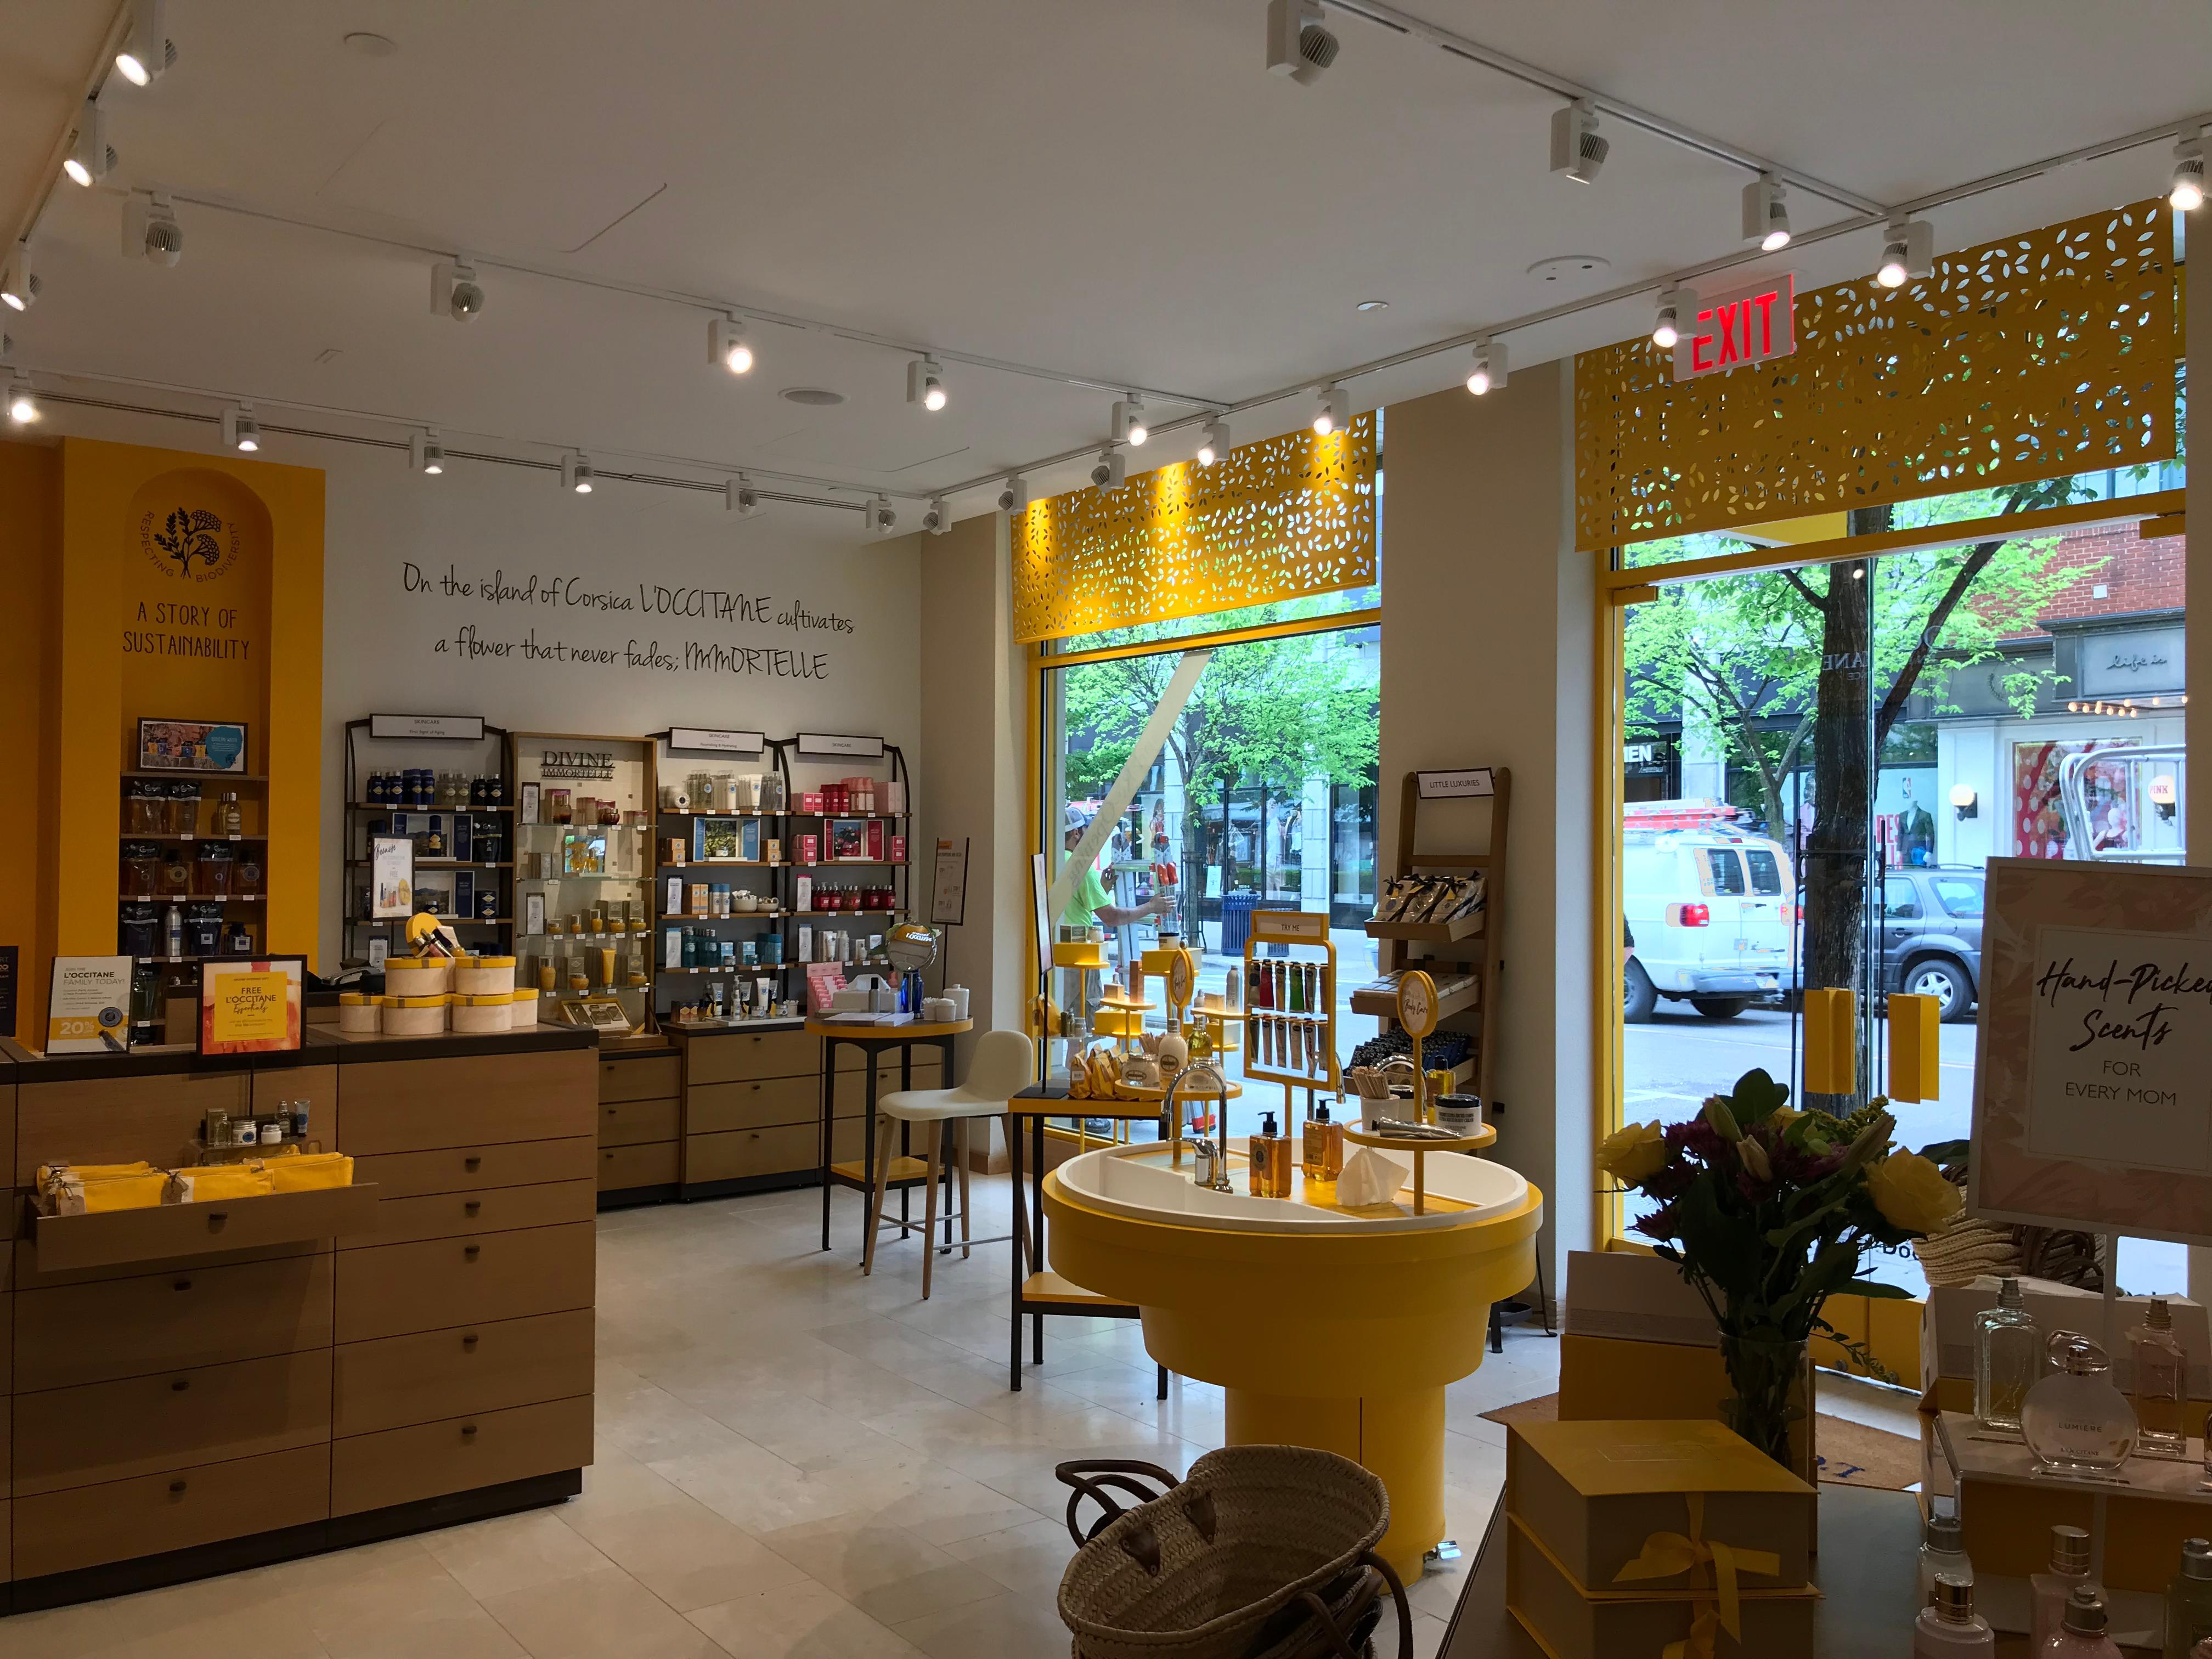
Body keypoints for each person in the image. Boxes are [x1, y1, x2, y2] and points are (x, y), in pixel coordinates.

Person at [1060, 808, 1175, 930]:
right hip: (1073, 941)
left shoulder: (1052, 862)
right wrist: (1152, 907)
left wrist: (1102, 891)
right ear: (1076, 833)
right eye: (1086, 830)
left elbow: (1072, 907)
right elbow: (1111, 917)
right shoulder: (1079, 866)